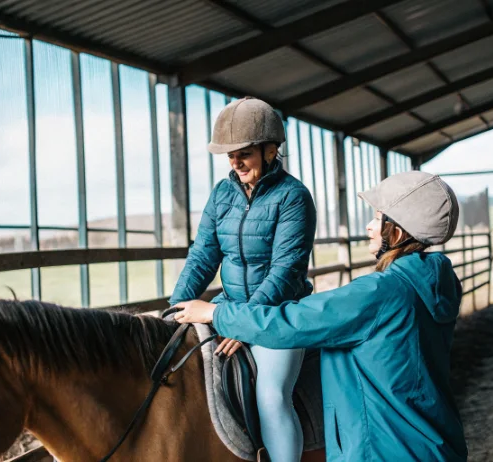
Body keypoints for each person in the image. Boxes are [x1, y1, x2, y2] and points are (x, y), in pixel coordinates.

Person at [174, 171, 469, 462]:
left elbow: (291, 323)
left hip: (383, 450)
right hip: (433, 443)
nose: (368, 226)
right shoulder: (434, 282)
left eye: (378, 218)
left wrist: (216, 312)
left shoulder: (380, 292)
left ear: (398, 232)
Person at [168, 97, 317, 462]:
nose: (235, 162)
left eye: (244, 153)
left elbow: (285, 271)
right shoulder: (222, 195)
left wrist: (244, 322)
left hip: (279, 314)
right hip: (230, 306)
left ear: (270, 151)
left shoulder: (294, 197)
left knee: (271, 398)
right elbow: (203, 255)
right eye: (230, 155)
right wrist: (174, 308)